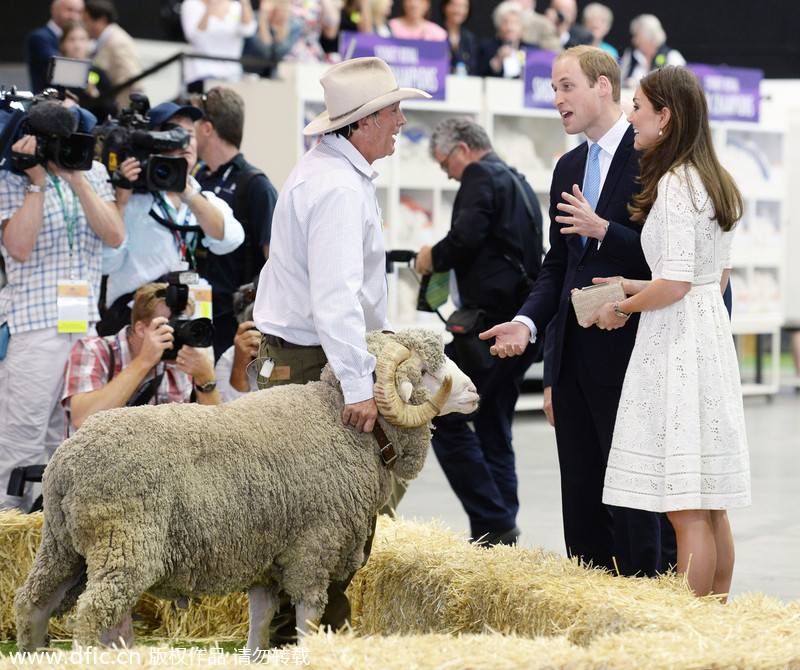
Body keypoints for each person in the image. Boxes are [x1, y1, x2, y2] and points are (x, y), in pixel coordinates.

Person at [251, 56, 429, 644]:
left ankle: (298, 643)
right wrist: (359, 387)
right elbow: (334, 300)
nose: (403, 120)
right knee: (315, 520)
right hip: (310, 365)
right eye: (394, 110)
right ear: (366, 122)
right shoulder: (334, 187)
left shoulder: (333, 175)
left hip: (306, 358)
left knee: (302, 518)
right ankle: (309, 646)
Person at [480, 46, 672, 577]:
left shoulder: (652, 156)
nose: (557, 98)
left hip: (632, 353)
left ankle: (647, 611)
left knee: (635, 501)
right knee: (582, 500)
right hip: (572, 362)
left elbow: (672, 259)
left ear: (603, 87)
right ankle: (591, 613)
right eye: (553, 88)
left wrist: (604, 230)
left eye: (566, 85)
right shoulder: (567, 165)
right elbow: (557, 265)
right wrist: (526, 323)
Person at [587, 66, 751, 598]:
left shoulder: (678, 183)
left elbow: (677, 283)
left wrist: (625, 306)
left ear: (666, 116)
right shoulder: (714, 177)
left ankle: (689, 631)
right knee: (709, 504)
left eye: (638, 106)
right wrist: (632, 283)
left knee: (686, 511)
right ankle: (716, 622)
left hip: (679, 341)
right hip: (707, 334)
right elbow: (706, 276)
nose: (631, 116)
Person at [415, 117, 543, 546]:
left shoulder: (478, 174)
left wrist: (432, 256)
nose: (447, 173)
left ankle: (494, 520)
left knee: (444, 414)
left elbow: (466, 237)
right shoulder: (517, 179)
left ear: (463, 150)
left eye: (445, 163)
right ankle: (499, 530)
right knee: (492, 422)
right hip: (520, 324)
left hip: (489, 329)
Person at [0, 103, 125, 510]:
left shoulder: (92, 172)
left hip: (84, 325)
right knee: (22, 439)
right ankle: (9, 538)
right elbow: (17, 248)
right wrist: (36, 180)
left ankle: (55, 537)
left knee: (70, 442)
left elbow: (114, 236)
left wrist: (77, 179)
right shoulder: (12, 175)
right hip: (35, 325)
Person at [101, 101, 244, 337]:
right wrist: (121, 201)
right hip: (135, 323)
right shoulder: (131, 198)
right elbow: (107, 263)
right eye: (175, 135)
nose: (185, 142)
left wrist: (186, 190)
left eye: (190, 134)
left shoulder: (205, 199)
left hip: (189, 322)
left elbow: (228, 240)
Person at [63, 281, 222, 434]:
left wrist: (205, 378)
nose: (177, 333)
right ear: (141, 329)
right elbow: (83, 421)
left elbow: (216, 433)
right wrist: (144, 361)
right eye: (170, 324)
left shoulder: (181, 359)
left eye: (184, 323)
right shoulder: (94, 350)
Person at [191, 87, 278, 360]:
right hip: (192, 317)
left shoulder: (255, 185)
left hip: (234, 329)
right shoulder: (192, 181)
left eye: (192, 123)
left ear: (207, 128)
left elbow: (277, 265)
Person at [180, 0, 257, 92]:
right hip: (200, 73)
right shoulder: (191, 4)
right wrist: (210, 8)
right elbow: (195, 37)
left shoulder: (236, 6)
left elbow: (248, 31)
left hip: (231, 74)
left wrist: (245, 3)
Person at [82, 0, 144, 112]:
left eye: (86, 21)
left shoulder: (118, 42)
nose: (84, 26)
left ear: (102, 20)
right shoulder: (104, 41)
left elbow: (131, 81)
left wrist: (121, 115)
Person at [59, 20, 117, 121]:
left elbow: (112, 111)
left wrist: (94, 94)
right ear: (62, 44)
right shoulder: (55, 71)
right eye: (71, 39)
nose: (77, 45)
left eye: (82, 39)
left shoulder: (99, 73)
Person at [25, 0, 85, 93]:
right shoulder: (40, 38)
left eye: (79, 12)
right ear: (54, 9)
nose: (74, 16)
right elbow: (58, 66)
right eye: (69, 10)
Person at [619, 14, 686, 89]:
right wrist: (626, 84)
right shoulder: (630, 55)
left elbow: (678, 88)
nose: (634, 41)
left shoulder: (672, 57)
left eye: (637, 36)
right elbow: (619, 80)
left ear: (650, 36)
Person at [476, 2, 536, 79]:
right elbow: (479, 76)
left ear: (522, 27)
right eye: (505, 22)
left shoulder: (531, 50)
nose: (510, 28)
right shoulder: (488, 48)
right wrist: (497, 61)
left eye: (515, 22)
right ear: (499, 26)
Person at [440, 0, 476, 75]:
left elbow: (473, 68)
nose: (458, 11)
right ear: (445, 6)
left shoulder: (468, 38)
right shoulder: (435, 33)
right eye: (454, 5)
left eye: (463, 6)